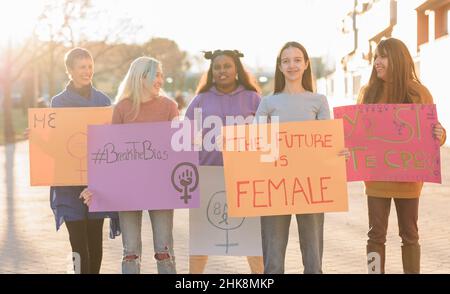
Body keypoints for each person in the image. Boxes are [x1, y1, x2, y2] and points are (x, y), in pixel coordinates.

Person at [254, 41, 349, 274]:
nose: (292, 65)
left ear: (306, 64)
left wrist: (339, 152)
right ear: (279, 66)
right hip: (275, 186)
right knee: (273, 262)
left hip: (310, 186)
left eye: (297, 60)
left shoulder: (319, 101)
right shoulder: (267, 103)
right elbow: (255, 142)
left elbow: (327, 141)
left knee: (313, 262)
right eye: (286, 61)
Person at [357, 37, 446, 274]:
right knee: (375, 235)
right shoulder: (368, 93)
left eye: (382, 56)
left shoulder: (418, 93)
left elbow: (432, 132)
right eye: (376, 57)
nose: (377, 62)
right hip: (376, 180)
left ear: (398, 59)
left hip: (409, 179)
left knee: (410, 235)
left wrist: (441, 133)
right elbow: (357, 135)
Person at [82, 56, 179, 274]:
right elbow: (112, 154)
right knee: (130, 252)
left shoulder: (169, 107)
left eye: (162, 75)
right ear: (142, 77)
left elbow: (176, 149)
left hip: (161, 187)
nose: (161, 80)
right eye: (157, 74)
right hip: (128, 190)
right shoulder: (123, 108)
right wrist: (96, 187)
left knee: (164, 251)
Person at [185, 49, 264, 274]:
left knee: (252, 241)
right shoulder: (200, 100)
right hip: (208, 177)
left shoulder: (253, 98)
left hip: (245, 177)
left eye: (227, 66)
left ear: (236, 69)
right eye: (217, 67)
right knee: (201, 241)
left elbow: (266, 136)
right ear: (212, 71)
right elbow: (185, 135)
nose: (222, 71)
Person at [49, 47, 120, 274]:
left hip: (97, 184)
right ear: (70, 70)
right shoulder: (58, 103)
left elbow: (110, 142)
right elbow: (57, 142)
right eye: (82, 67)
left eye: (90, 66)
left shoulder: (102, 100)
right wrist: (38, 138)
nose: (87, 71)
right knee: (78, 245)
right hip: (68, 185)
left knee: (94, 242)